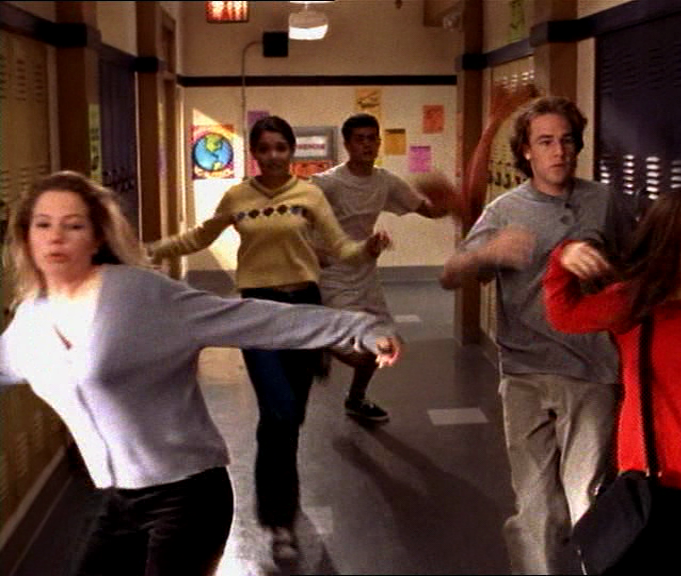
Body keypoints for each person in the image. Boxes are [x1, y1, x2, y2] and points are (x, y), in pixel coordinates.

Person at [0, 170, 400, 576]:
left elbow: (248, 318)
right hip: (117, 501)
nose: (55, 237)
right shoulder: (30, 321)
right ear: (25, 237)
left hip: (187, 494)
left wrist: (356, 328)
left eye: (73, 226)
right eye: (43, 225)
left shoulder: (140, 294)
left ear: (97, 236)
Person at [148, 115, 391, 563]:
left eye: (281, 147)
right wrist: (149, 251)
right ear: (255, 153)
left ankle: (281, 501)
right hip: (257, 313)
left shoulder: (309, 195)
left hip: (304, 310)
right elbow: (199, 237)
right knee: (278, 413)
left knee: (289, 418)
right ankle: (279, 523)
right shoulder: (237, 197)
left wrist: (367, 249)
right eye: (265, 148)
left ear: (291, 151)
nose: (274, 156)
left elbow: (341, 248)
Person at [440, 95, 632, 574]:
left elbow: (635, 267)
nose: (559, 151)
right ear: (526, 151)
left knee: (586, 497)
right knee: (536, 506)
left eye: (566, 140)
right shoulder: (505, 210)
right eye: (545, 142)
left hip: (592, 370)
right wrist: (487, 254)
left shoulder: (604, 201)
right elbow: (451, 274)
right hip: (525, 372)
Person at [544, 185, 681, 574]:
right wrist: (564, 257)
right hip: (650, 500)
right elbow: (565, 314)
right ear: (665, 247)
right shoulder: (636, 303)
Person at [311, 112, 460, 423]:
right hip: (332, 274)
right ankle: (319, 341)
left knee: (385, 341)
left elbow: (428, 210)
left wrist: (448, 201)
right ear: (347, 144)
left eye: (372, 139)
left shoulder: (385, 181)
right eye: (360, 139)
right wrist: (313, 253)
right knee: (362, 351)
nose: (367, 145)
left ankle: (356, 398)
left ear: (379, 142)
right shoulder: (328, 183)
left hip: (365, 272)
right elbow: (298, 223)